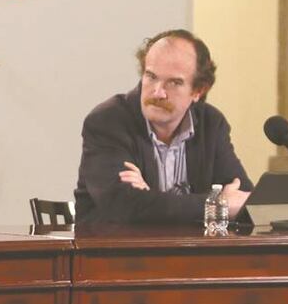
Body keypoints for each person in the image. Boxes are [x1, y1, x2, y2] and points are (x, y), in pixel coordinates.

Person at [73, 29, 252, 223]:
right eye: (151, 76)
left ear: (198, 90)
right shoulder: (108, 122)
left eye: (174, 82)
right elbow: (125, 207)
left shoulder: (211, 124)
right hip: (114, 250)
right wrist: (217, 204)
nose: (158, 93)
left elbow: (245, 200)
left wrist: (151, 198)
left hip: (191, 250)